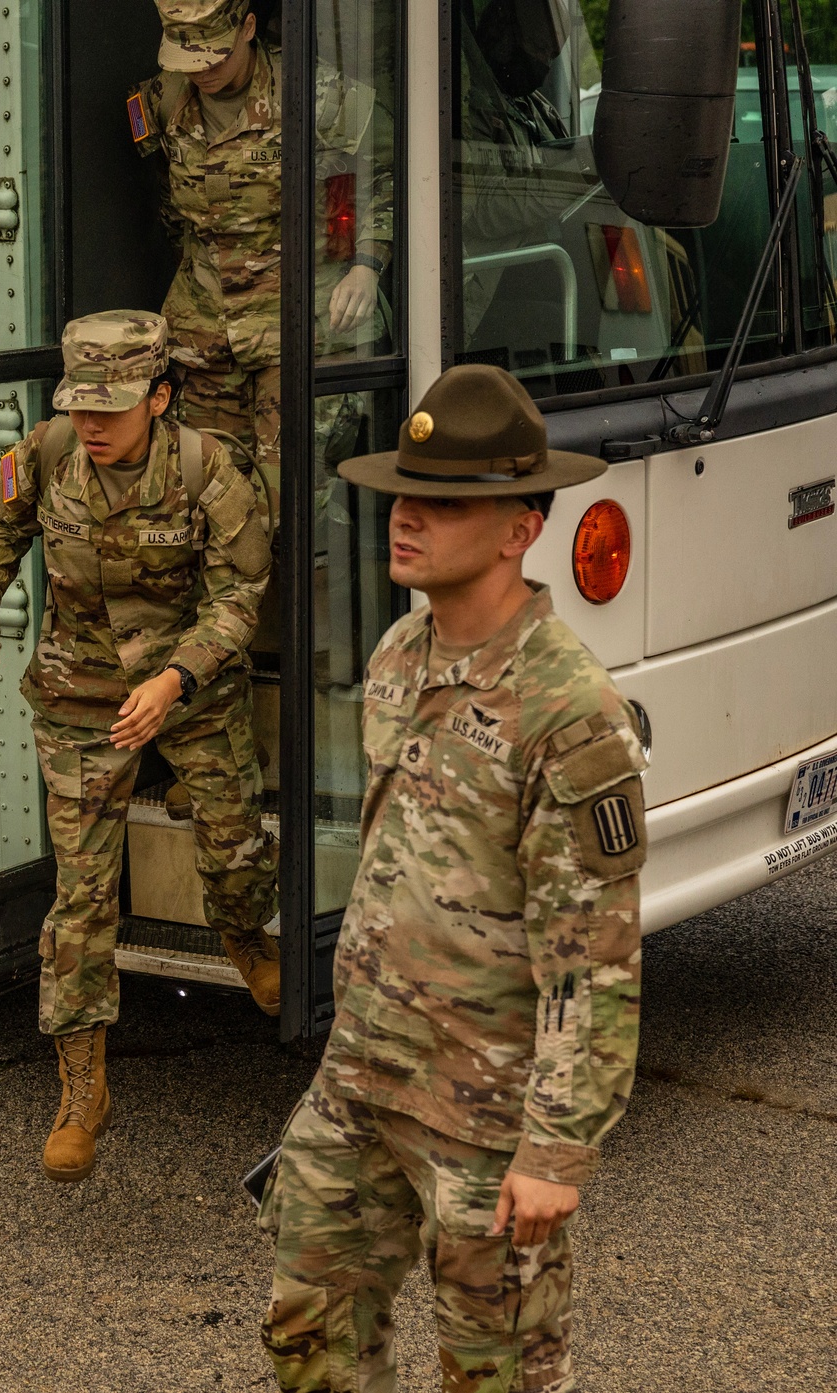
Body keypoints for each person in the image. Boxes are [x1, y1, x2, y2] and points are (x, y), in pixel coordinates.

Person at [258, 363, 647, 1392]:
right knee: (308, 1332)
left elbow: (593, 962)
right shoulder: (397, 652)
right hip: (364, 1079)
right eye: (404, 493)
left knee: (497, 1373)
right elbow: (394, 871)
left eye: (443, 502)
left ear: (519, 528)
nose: (406, 517)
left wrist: (555, 1152)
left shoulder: (568, 710)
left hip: (484, 1116)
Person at [0, 311, 279, 1183]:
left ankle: (246, 931)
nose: (94, 424)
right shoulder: (51, 451)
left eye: (115, 407)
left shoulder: (208, 469)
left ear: (162, 398)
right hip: (83, 694)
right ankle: (82, 1089)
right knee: (83, 897)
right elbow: (2, 530)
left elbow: (239, 599)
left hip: (192, 684)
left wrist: (174, 680)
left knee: (234, 845)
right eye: (81, 406)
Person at [129, 0, 394, 535]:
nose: (201, 70)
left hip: (297, 327)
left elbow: (388, 173)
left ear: (248, 28)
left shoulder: (315, 94)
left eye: (215, 56)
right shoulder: (160, 100)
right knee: (201, 502)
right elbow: (164, 195)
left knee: (285, 508)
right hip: (203, 339)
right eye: (187, 58)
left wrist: (368, 264)